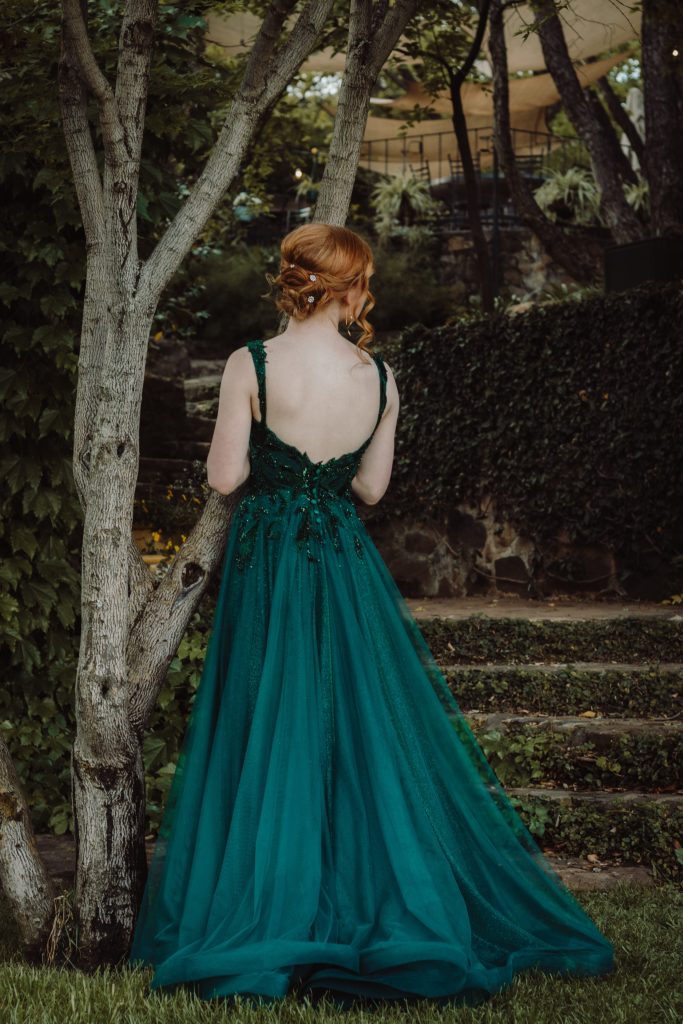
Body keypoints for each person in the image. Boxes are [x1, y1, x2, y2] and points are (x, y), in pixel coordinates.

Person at [128, 223, 614, 1009]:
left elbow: (223, 476)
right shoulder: (379, 378)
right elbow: (370, 490)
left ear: (294, 281)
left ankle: (272, 899)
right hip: (342, 562)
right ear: (347, 287)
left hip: (271, 562)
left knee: (268, 717)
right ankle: (357, 892)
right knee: (352, 722)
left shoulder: (252, 363)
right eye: (363, 282)